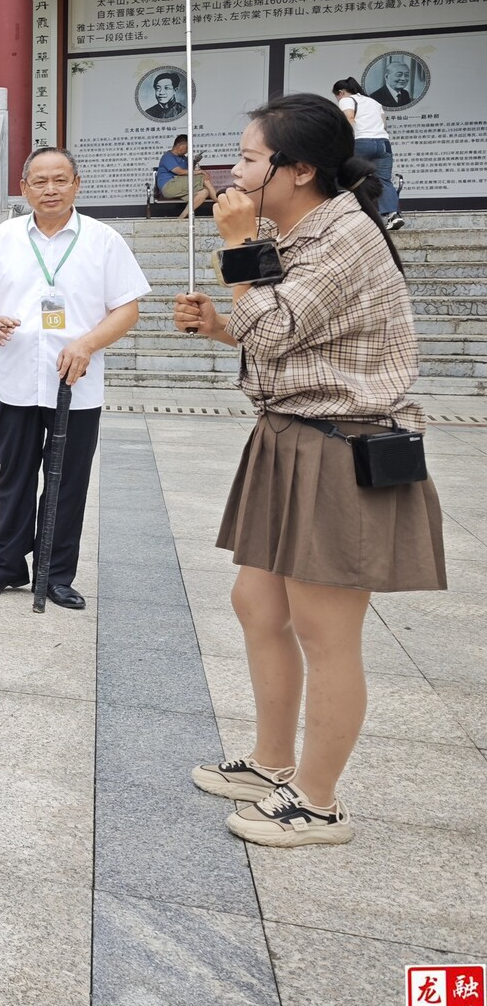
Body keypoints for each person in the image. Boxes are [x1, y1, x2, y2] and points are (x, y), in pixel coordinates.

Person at [174, 96, 443, 848]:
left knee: (327, 631)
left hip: (342, 442)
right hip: (291, 434)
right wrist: (219, 325)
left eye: (250, 159)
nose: (235, 172)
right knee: (258, 605)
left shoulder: (344, 235)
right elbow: (279, 335)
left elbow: (276, 327)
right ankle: (272, 762)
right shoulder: (292, 231)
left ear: (299, 170)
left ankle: (320, 803)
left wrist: (236, 251)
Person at [0, 147, 149, 610]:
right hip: (15, 381)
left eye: (60, 180)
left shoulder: (103, 240)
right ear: (24, 188)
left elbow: (127, 309)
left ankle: (57, 575)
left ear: (76, 185)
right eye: (40, 181)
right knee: (15, 478)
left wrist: (87, 344)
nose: (50, 189)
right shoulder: (4, 237)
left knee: (68, 482)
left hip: (76, 383)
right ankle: (6, 566)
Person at [332, 77, 402, 230]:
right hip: (383, 144)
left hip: (361, 142)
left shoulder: (346, 100)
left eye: (336, 96)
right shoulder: (374, 102)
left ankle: (351, 216)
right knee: (384, 181)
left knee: (349, 178)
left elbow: (349, 118)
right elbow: (384, 124)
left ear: (341, 92)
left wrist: (346, 139)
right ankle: (393, 215)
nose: (338, 99)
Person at [155, 134, 216, 218]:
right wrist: (200, 171)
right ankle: (219, 201)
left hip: (179, 186)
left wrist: (195, 162)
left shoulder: (183, 158)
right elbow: (180, 172)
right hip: (169, 186)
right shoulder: (168, 156)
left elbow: (188, 172)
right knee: (202, 176)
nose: (187, 151)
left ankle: (182, 217)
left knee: (204, 192)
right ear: (180, 145)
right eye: (187, 148)